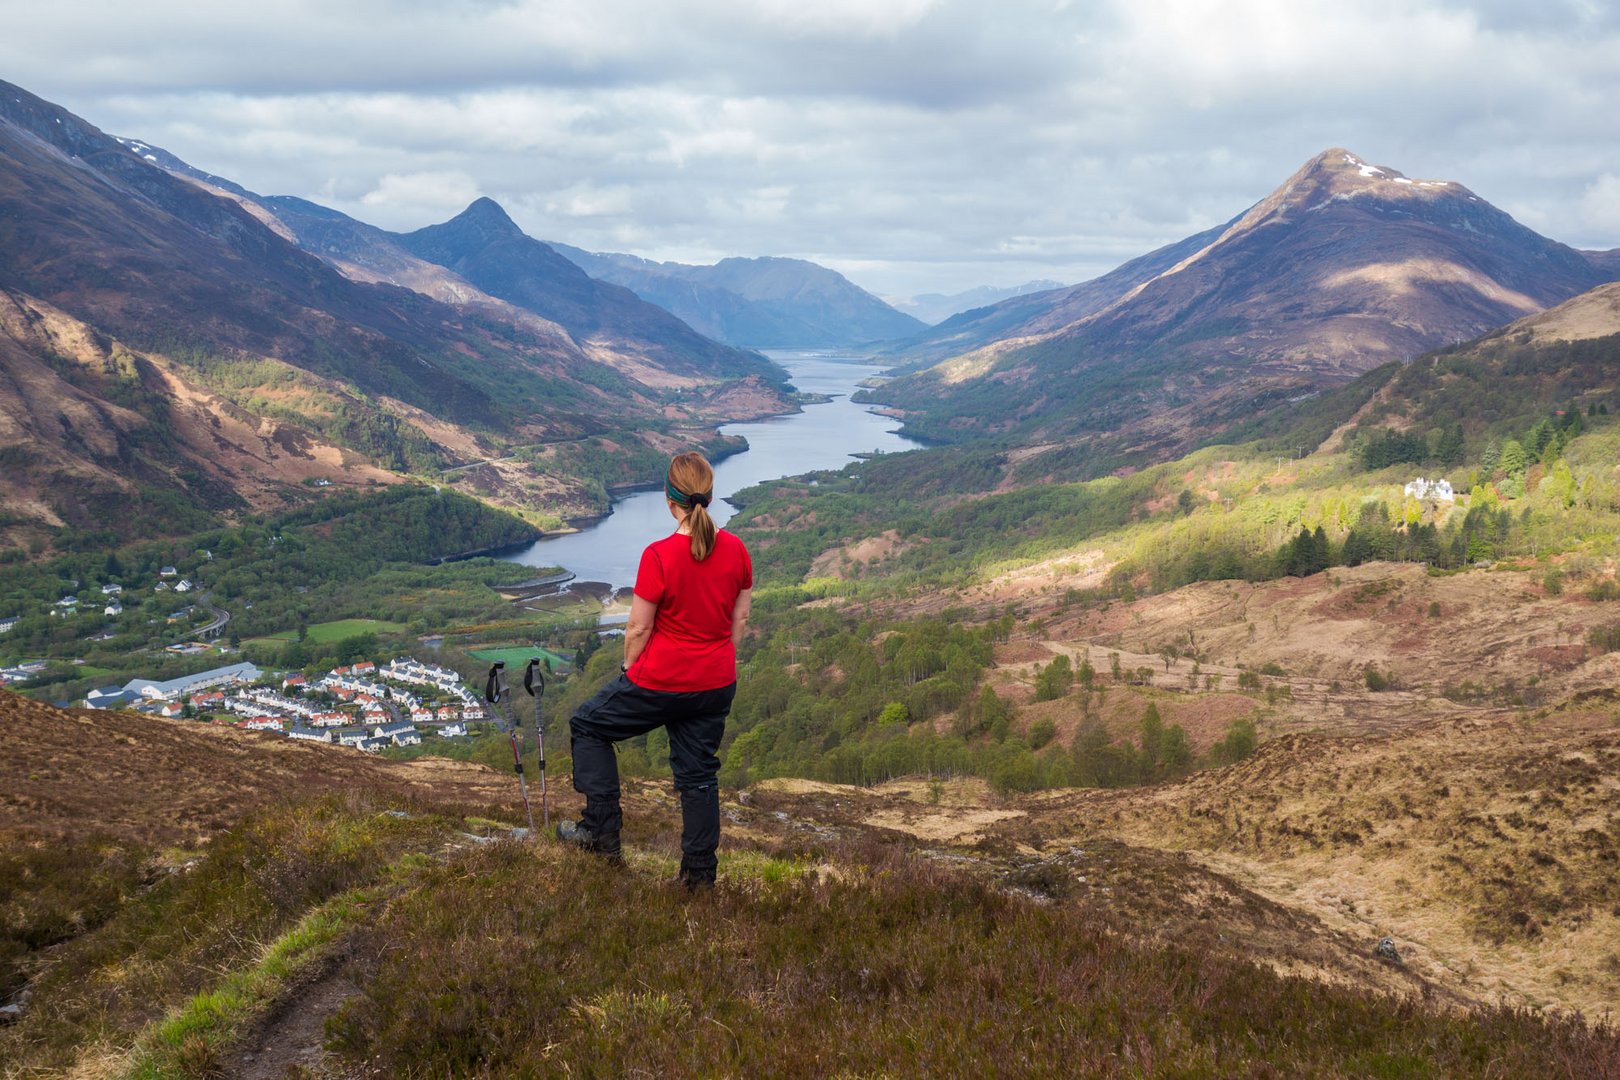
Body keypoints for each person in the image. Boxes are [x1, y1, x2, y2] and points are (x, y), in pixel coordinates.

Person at [558, 452, 752, 890]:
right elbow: (739, 621)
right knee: (699, 776)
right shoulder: (737, 549)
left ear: (669, 499)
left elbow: (639, 626)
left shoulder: (659, 555)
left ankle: (599, 834)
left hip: (661, 680)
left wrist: (630, 667)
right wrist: (717, 657)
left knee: (588, 726)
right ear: (709, 494)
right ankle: (698, 879)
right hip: (716, 682)